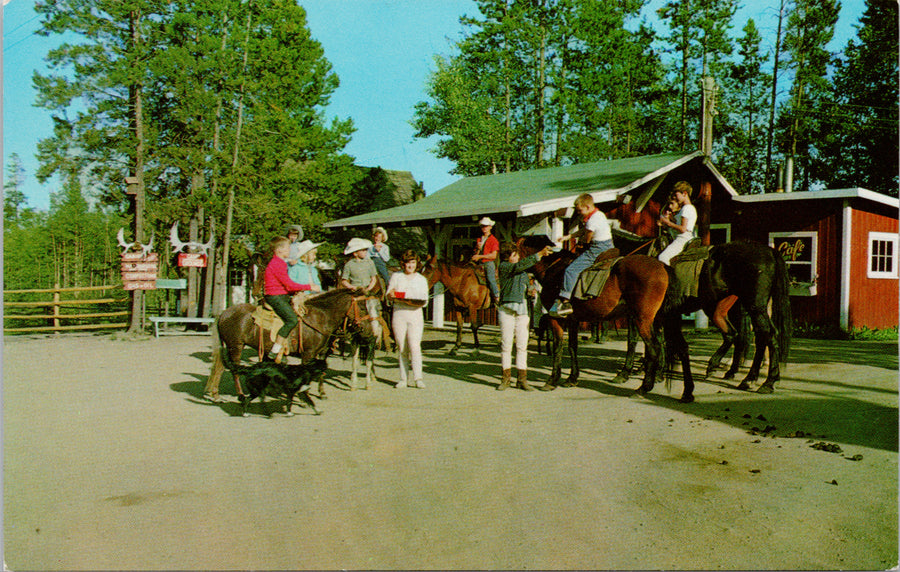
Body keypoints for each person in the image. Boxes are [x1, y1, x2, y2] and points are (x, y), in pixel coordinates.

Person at [496, 241, 553, 391]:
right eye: (515, 255)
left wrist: (530, 290)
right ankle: (506, 379)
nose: (518, 258)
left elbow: (527, 285)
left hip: (522, 311)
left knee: (522, 346)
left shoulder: (522, 273)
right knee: (506, 345)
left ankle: (522, 379)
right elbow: (518, 267)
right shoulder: (504, 267)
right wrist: (539, 254)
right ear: (508, 257)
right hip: (507, 309)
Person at [548, 193, 614, 318]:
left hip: (597, 248)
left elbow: (587, 237)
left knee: (570, 270)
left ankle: (566, 300)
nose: (578, 213)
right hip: (609, 245)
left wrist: (581, 245)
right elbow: (584, 230)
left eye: (580, 210)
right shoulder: (599, 215)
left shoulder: (592, 221)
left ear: (588, 207)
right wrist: (569, 236)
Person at [264, 235, 315, 362]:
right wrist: (309, 286)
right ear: (279, 250)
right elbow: (289, 285)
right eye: (287, 248)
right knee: (291, 320)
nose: (289, 250)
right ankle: (275, 350)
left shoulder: (280, 262)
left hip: (281, 294)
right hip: (275, 297)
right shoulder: (277, 263)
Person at [386, 250, 429, 389]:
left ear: (416, 264)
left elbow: (424, 299)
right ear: (403, 264)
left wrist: (402, 295)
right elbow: (389, 294)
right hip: (399, 314)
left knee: (415, 347)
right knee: (402, 347)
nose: (410, 265)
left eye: (413, 262)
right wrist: (398, 295)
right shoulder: (396, 276)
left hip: (415, 315)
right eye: (407, 263)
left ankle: (418, 378)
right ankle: (403, 379)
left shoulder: (421, 279)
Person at [341, 237, 382, 337]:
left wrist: (368, 288)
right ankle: (345, 332)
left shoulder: (369, 262)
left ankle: (377, 331)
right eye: (363, 250)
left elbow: (374, 279)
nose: (365, 252)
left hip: (368, 291)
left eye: (366, 250)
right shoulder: (349, 265)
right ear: (355, 253)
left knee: (373, 309)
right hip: (355, 292)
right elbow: (344, 281)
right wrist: (352, 287)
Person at [657, 181, 697, 265]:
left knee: (663, 257)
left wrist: (667, 222)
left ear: (684, 193)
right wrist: (669, 218)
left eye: (676, 195)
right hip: (682, 237)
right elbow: (678, 224)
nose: (675, 198)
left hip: (682, 239)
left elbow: (683, 229)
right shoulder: (687, 208)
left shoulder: (687, 208)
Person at [470, 216, 500, 302]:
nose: (484, 228)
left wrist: (480, 256)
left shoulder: (493, 240)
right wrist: (477, 249)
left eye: (486, 226)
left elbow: (493, 256)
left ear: (490, 227)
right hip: (479, 263)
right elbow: (476, 254)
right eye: (483, 226)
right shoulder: (479, 239)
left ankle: (496, 295)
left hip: (488, 263)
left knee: (490, 279)